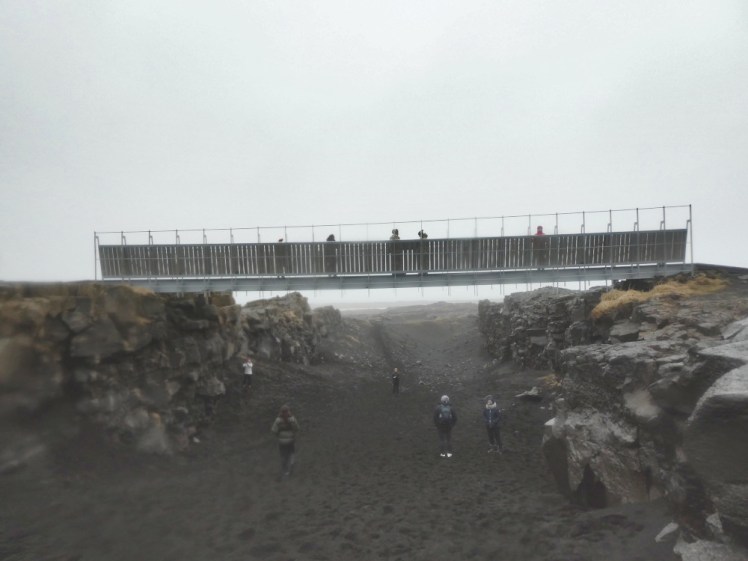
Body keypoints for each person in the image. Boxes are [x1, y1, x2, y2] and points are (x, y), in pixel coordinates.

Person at [271, 404, 300, 477]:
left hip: (281, 441)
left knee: (283, 456)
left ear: (281, 412)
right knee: (291, 454)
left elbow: (273, 430)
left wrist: (278, 434)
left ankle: (285, 472)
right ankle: (292, 463)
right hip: (290, 440)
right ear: (289, 411)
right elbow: (297, 428)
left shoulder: (278, 420)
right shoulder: (292, 419)